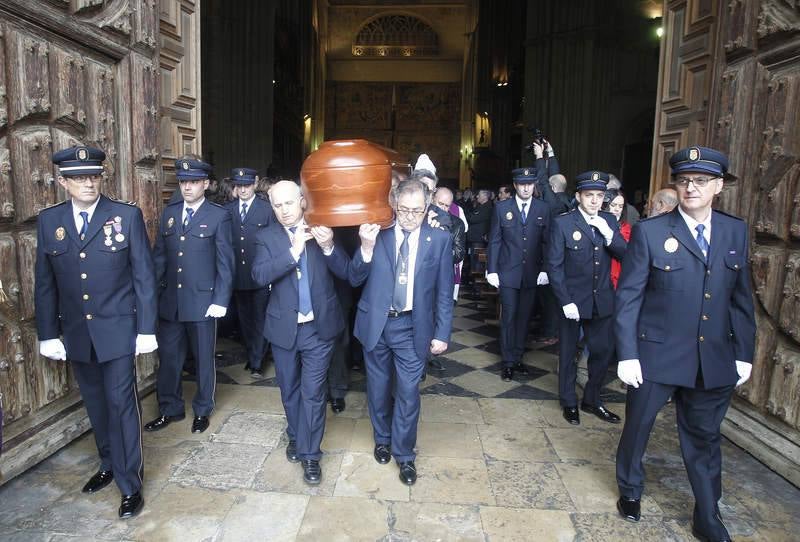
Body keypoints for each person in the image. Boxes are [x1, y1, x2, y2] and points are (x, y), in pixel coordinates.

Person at [614, 147, 755, 541]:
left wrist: (743, 352)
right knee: (637, 428)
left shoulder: (734, 231)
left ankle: (707, 514)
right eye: (684, 180)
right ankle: (630, 489)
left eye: (701, 181)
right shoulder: (651, 231)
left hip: (711, 359)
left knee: (704, 438)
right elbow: (629, 297)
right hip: (655, 354)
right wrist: (627, 353)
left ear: (718, 186)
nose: (691, 188)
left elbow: (741, 299)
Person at [35, 145, 157, 519]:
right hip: (76, 334)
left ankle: (129, 483)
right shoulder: (49, 220)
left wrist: (146, 329)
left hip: (119, 331)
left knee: (122, 406)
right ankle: (107, 464)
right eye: (78, 177)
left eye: (94, 176)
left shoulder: (125, 215)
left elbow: (144, 277)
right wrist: (47, 333)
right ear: (62, 182)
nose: (88, 183)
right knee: (96, 405)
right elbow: (44, 283)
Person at [350, 179, 454, 486]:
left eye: (417, 211)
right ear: (394, 205)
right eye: (404, 210)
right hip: (377, 325)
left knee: (408, 393)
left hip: (413, 327)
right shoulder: (376, 234)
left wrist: (442, 333)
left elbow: (444, 293)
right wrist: (365, 249)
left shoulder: (439, 240)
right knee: (378, 388)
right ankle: (382, 439)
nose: (410, 217)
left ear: (427, 208)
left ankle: (405, 454)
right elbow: (354, 278)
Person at [251, 181, 351, 485]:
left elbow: (347, 271)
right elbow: (258, 275)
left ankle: (310, 455)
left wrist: (328, 247)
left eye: (289, 204)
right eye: (277, 205)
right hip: (283, 329)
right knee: (289, 390)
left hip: (319, 329)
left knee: (313, 392)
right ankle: (295, 433)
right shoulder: (266, 237)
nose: (283, 211)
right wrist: (292, 252)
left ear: (302, 201)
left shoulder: (322, 229)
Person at [145, 158, 234, 435]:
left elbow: (225, 263)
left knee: (203, 359)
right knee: (169, 360)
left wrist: (220, 299)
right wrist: (149, 296)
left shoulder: (218, 216)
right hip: (171, 303)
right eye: (184, 182)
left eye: (194, 182)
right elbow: (159, 259)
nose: (187, 187)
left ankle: (202, 409)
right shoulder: (169, 214)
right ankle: (169, 408)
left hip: (203, 303)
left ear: (206, 184)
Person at [547, 171, 627, 426]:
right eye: (589, 195)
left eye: (599, 196)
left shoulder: (608, 221)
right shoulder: (563, 223)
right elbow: (555, 266)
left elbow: (626, 255)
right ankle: (569, 401)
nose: (594, 201)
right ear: (579, 196)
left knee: (603, 352)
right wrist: (565, 300)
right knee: (569, 352)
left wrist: (609, 235)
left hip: (602, 299)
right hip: (573, 301)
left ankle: (592, 399)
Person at [486, 168, 550, 381]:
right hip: (508, 273)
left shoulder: (543, 208)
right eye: (522, 184)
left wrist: (545, 269)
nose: (525, 187)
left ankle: (518, 357)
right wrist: (492, 270)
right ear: (515, 185)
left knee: (524, 318)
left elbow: (546, 242)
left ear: (534, 185)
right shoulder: (502, 207)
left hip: (532, 273)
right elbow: (495, 240)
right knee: (509, 318)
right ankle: (507, 361)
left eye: (529, 184)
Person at [224, 168, 275, 377]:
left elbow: (273, 241)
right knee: (244, 320)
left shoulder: (266, 209)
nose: (242, 189)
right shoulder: (227, 210)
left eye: (246, 185)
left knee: (260, 318)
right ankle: (252, 353)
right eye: (238, 185)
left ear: (254, 184)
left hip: (261, 274)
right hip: (238, 274)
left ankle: (257, 361)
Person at [602, 189, 632, 289]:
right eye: (613, 205)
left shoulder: (626, 227)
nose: (617, 209)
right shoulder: (596, 222)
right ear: (605, 204)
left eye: (620, 206)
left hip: (616, 274)